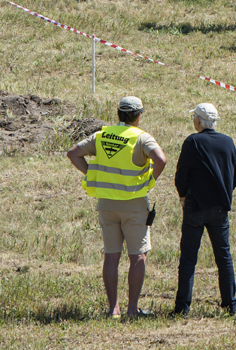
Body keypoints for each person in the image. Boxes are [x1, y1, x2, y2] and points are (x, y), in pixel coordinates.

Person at [67, 95, 167, 320]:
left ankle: (113, 309)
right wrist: (149, 181)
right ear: (139, 116)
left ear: (118, 114)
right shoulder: (141, 138)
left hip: (106, 204)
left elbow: (73, 153)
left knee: (111, 257)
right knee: (137, 256)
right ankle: (132, 310)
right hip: (133, 203)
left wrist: (92, 173)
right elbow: (161, 159)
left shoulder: (102, 135)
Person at [171, 103, 236, 317]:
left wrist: (182, 195)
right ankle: (230, 305)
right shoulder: (227, 142)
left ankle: (183, 308)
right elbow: (235, 175)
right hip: (220, 208)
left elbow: (181, 174)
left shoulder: (193, 141)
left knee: (189, 258)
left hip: (195, 207)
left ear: (198, 121)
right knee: (224, 257)